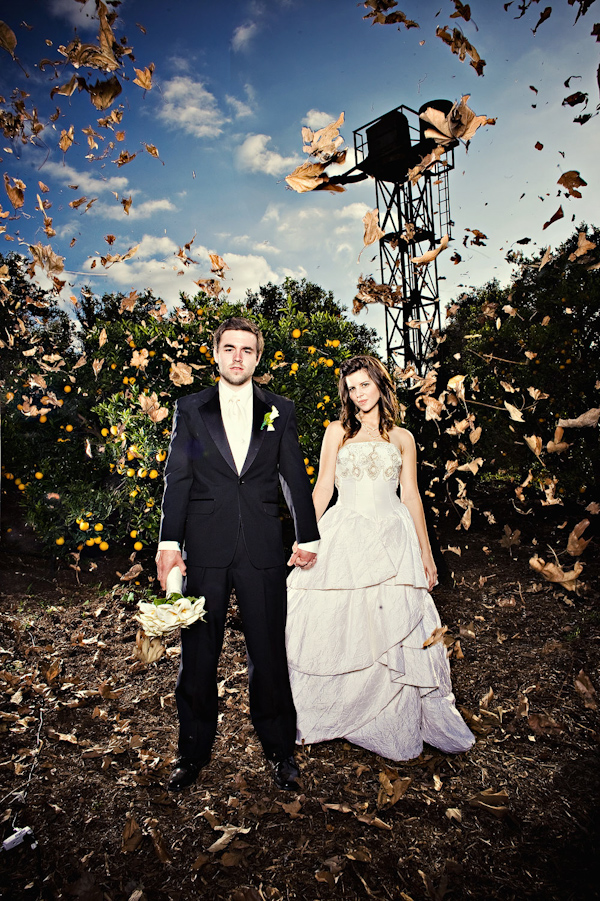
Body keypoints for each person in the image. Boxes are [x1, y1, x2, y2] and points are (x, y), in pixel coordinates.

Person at [156, 317, 320, 792]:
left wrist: (306, 535)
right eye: (229, 349)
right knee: (198, 657)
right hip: (205, 547)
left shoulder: (280, 409)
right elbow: (178, 478)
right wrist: (169, 544)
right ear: (215, 353)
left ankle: (279, 750)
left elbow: (293, 475)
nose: (237, 358)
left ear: (258, 358)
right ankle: (192, 752)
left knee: (268, 654)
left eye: (247, 350)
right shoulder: (190, 408)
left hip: (263, 547)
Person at [285, 355, 474, 761]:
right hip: (345, 531)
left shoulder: (403, 437)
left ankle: (391, 716)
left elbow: (411, 497)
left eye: (364, 385)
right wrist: (304, 538)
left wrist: (426, 553)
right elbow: (321, 490)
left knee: (394, 622)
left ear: (380, 385)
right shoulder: (337, 432)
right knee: (344, 622)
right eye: (351, 388)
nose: (358, 394)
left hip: (392, 532)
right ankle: (342, 708)